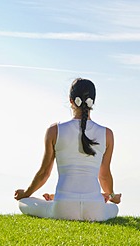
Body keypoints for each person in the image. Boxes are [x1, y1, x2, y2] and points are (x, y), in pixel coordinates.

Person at [14, 78, 121, 221]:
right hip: (95, 209)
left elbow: (44, 173)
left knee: (24, 203)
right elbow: (104, 175)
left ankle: (54, 199)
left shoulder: (54, 131)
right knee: (114, 208)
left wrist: (25, 193)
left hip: (63, 207)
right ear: (93, 102)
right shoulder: (107, 134)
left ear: (71, 101)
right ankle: (98, 199)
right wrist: (112, 196)